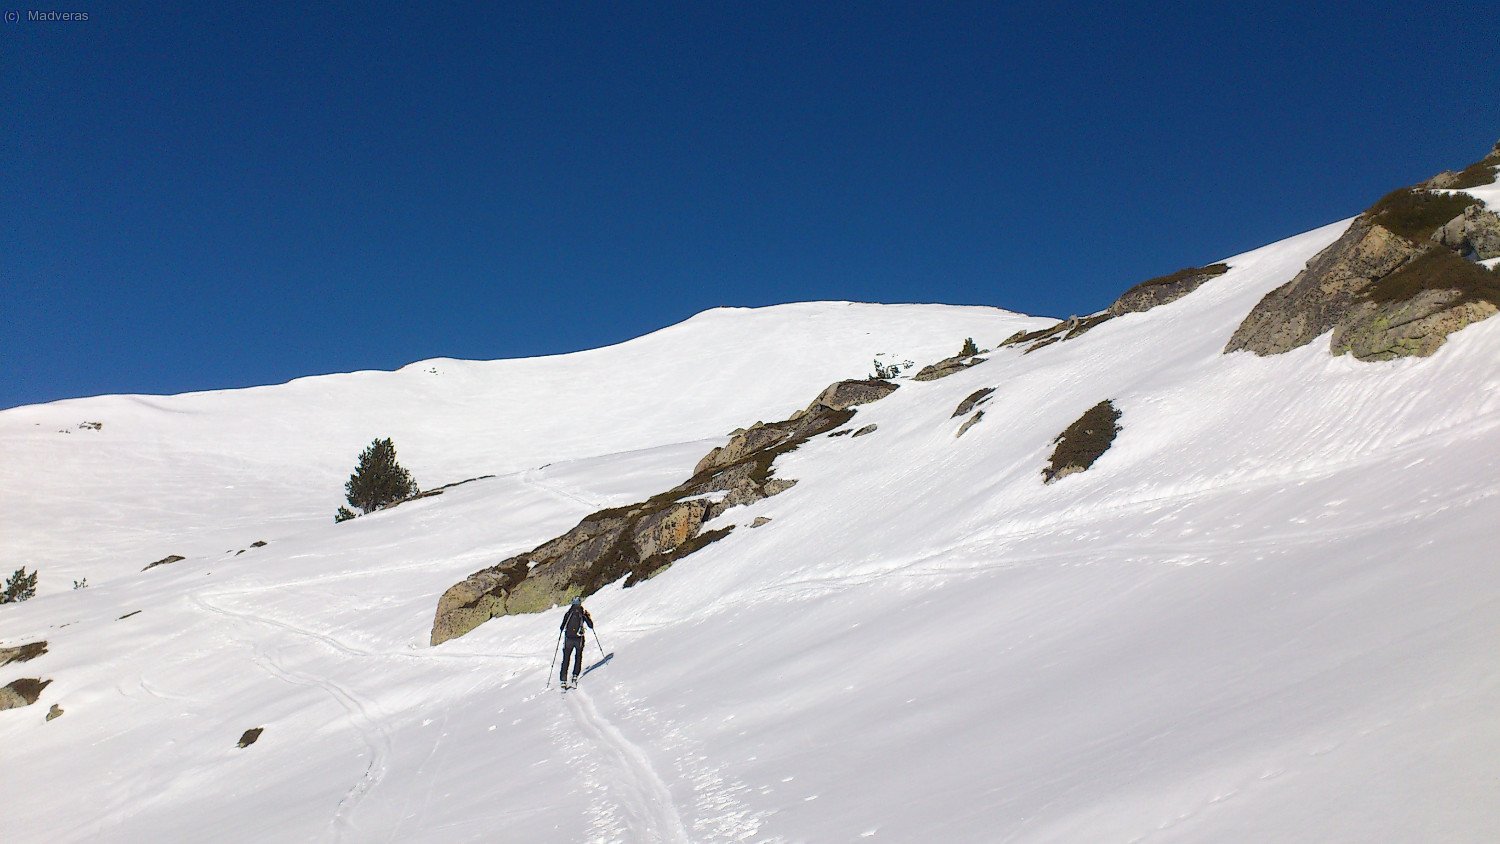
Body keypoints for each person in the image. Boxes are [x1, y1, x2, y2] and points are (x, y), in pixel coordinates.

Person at [558, 596, 594, 688]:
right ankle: (575, 675)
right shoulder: (583, 614)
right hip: (579, 639)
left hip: (568, 639)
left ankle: (563, 680)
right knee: (578, 656)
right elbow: (591, 626)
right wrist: (588, 617)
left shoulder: (568, 613)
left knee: (566, 659)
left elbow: (562, 627)